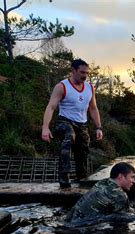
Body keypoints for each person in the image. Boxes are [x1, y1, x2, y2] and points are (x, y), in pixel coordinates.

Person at [42, 59, 103, 189]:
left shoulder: (90, 87)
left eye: (87, 73)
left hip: (82, 124)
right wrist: (45, 128)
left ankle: (82, 180)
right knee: (69, 136)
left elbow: (93, 108)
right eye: (82, 72)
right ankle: (64, 181)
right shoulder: (62, 86)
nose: (85, 75)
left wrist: (98, 127)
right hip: (64, 121)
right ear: (73, 70)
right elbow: (51, 107)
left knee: (83, 150)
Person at [66, 162, 135, 222]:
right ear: (120, 176)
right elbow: (127, 216)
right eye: (132, 177)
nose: (134, 181)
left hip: (68, 220)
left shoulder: (103, 182)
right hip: (80, 227)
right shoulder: (119, 195)